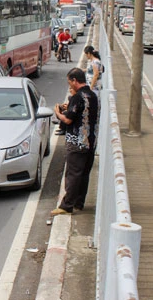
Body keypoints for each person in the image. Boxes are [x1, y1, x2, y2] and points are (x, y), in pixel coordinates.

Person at [51, 68, 98, 216]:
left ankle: (66, 206)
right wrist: (69, 108)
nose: (69, 85)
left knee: (72, 175)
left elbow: (68, 119)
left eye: (70, 82)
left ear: (74, 80)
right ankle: (79, 203)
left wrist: (58, 113)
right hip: (91, 142)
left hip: (77, 142)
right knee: (83, 174)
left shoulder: (77, 97)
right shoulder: (92, 95)